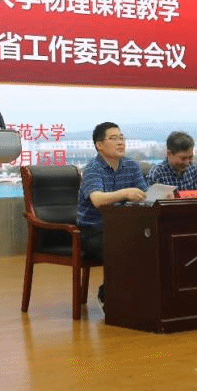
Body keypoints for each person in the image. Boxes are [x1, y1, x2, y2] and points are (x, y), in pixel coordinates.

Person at [76, 122, 148, 304]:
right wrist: (124, 193)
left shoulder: (131, 166)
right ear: (99, 145)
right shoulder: (93, 169)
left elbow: (144, 195)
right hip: (93, 230)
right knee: (123, 245)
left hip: (123, 227)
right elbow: (97, 199)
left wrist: (159, 195)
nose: (120, 142)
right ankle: (113, 298)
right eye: (114, 138)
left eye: (122, 138)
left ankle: (138, 297)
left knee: (151, 242)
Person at [146, 131, 197, 197]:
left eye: (190, 157)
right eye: (183, 158)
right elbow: (150, 203)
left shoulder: (193, 169)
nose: (187, 163)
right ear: (169, 154)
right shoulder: (157, 173)